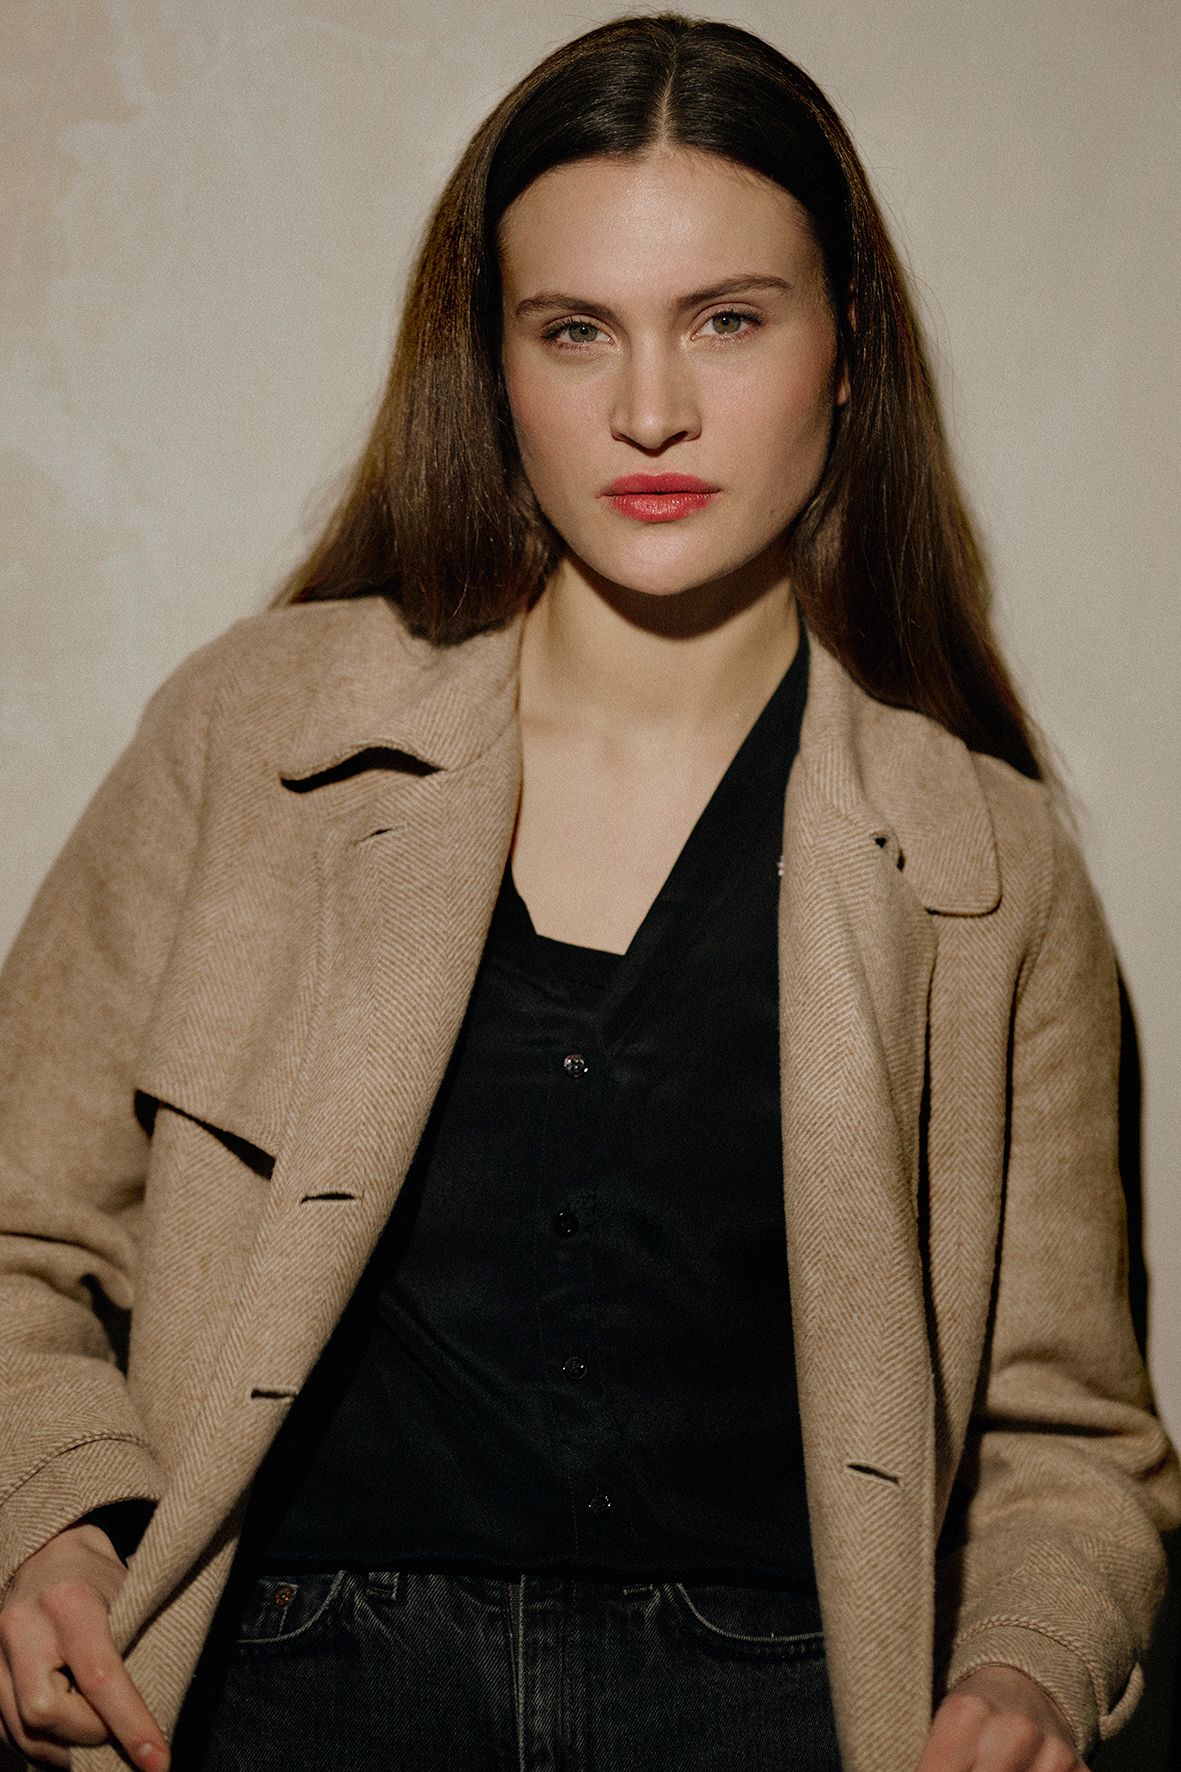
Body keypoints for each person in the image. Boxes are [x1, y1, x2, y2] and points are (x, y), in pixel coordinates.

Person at [0, 12, 1176, 1772]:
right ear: (490, 364)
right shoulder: (254, 737)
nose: (649, 410)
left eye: (727, 319)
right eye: (574, 330)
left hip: (785, 1713)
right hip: (273, 1698)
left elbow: (1067, 1438)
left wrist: (1025, 1668)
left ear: (846, 349)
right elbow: (18, 1238)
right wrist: (51, 1521)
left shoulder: (984, 866)